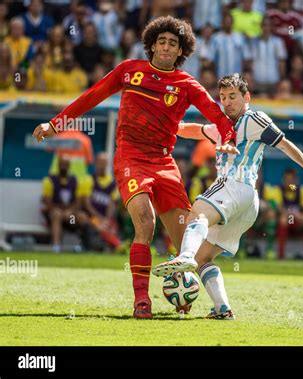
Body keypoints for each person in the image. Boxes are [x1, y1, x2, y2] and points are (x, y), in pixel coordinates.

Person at [32, 16, 238, 320]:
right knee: (145, 222)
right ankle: (142, 301)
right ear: (152, 44)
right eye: (163, 41)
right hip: (131, 158)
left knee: (186, 246)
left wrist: (229, 138)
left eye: (173, 43)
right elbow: (92, 96)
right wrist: (55, 124)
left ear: (180, 51)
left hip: (165, 163)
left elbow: (218, 116)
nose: (167, 47)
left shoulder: (187, 85)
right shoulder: (130, 71)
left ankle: (190, 295)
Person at [152, 73, 303, 319]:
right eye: (223, 98)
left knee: (197, 211)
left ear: (246, 97)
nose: (227, 102)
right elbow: (196, 130)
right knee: (204, 258)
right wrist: (167, 126)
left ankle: (184, 256)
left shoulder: (253, 119)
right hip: (247, 205)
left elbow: (285, 144)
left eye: (233, 97)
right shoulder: (222, 125)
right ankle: (223, 309)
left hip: (235, 185)